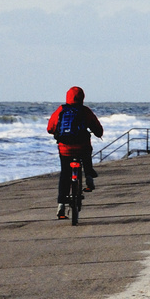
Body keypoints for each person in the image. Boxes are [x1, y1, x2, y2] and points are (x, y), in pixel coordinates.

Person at [47, 86, 103, 219]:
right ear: (82, 97)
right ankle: (89, 175)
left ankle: (61, 204)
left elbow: (50, 128)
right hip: (82, 147)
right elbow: (97, 129)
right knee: (87, 151)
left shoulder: (61, 110)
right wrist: (98, 133)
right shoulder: (85, 111)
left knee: (65, 174)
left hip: (65, 149)